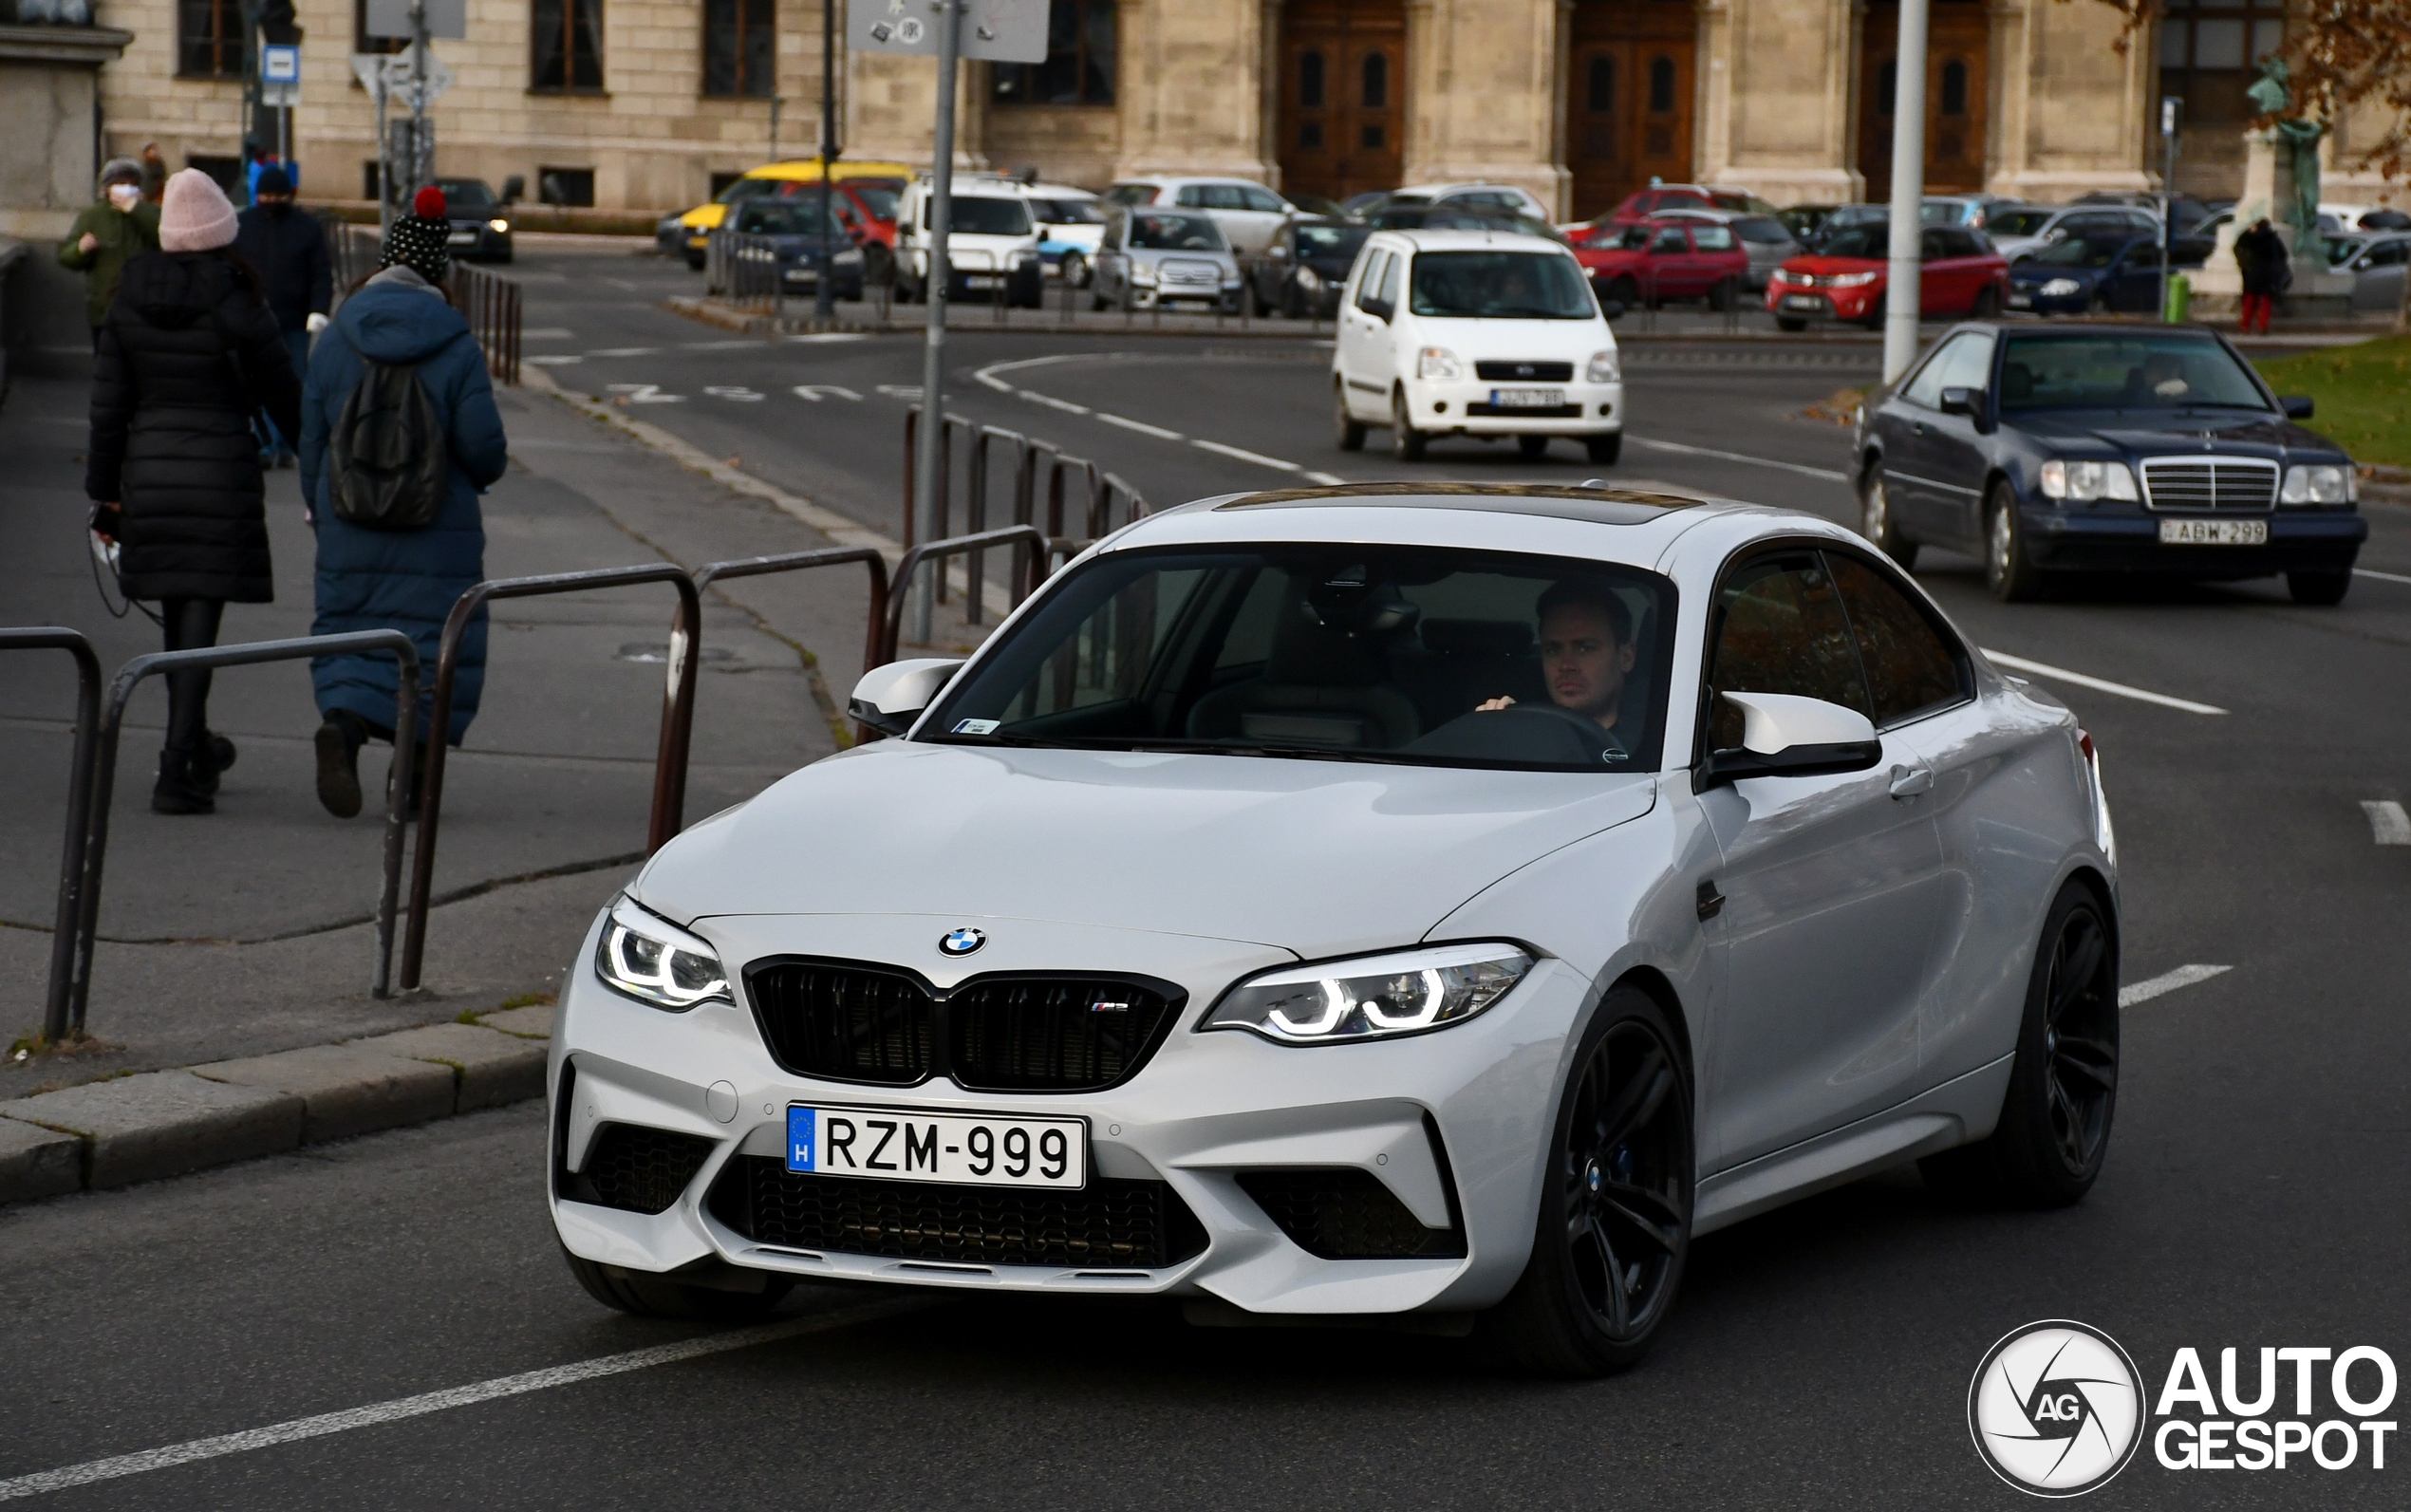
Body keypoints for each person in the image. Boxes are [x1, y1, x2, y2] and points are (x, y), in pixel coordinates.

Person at [84, 168, 303, 814]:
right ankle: (177, 766)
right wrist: (321, 472)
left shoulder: (128, 299)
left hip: (149, 474)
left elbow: (107, 410)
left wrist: (106, 494)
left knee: (182, 615)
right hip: (221, 473)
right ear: (220, 233)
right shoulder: (238, 297)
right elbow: (285, 396)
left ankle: (193, 747)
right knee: (199, 615)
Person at [299, 187, 508, 819]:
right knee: (431, 643)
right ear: (437, 271)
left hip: (349, 516)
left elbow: (311, 437)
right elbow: (484, 449)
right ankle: (412, 778)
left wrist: (320, 505)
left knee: (352, 631)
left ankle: (344, 725)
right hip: (436, 525)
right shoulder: (457, 345)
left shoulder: (336, 340)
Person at [233, 165, 331, 467]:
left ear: (288, 196)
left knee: (292, 385)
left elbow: (320, 274)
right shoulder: (243, 225)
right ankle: (264, 444)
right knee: (256, 385)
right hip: (253, 320)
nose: (271, 200)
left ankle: (287, 445)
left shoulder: (307, 228)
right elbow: (232, 269)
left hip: (294, 321)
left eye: (276, 195)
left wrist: (318, 311)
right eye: (265, 195)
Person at [1476, 581, 1641, 750]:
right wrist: (1499, 729)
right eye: (1553, 650)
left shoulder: (1657, 739)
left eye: (1585, 648)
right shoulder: (1524, 726)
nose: (1566, 665)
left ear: (1626, 657)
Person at [58, 158, 161, 351]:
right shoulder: (92, 216)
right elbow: (66, 256)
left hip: (144, 309)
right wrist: (81, 249)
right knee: (107, 363)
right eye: (120, 183)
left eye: (132, 184)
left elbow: (163, 237)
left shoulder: (150, 212)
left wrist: (135, 209)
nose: (126, 188)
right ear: (107, 188)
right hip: (104, 310)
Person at [2234, 217, 2289, 336]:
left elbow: (2237, 246)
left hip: (2252, 272)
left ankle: (2245, 326)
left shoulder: (2250, 237)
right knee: (2265, 302)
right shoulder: (2272, 239)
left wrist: (2243, 262)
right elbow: (2283, 255)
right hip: (2268, 274)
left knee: (2250, 300)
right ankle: (2263, 325)